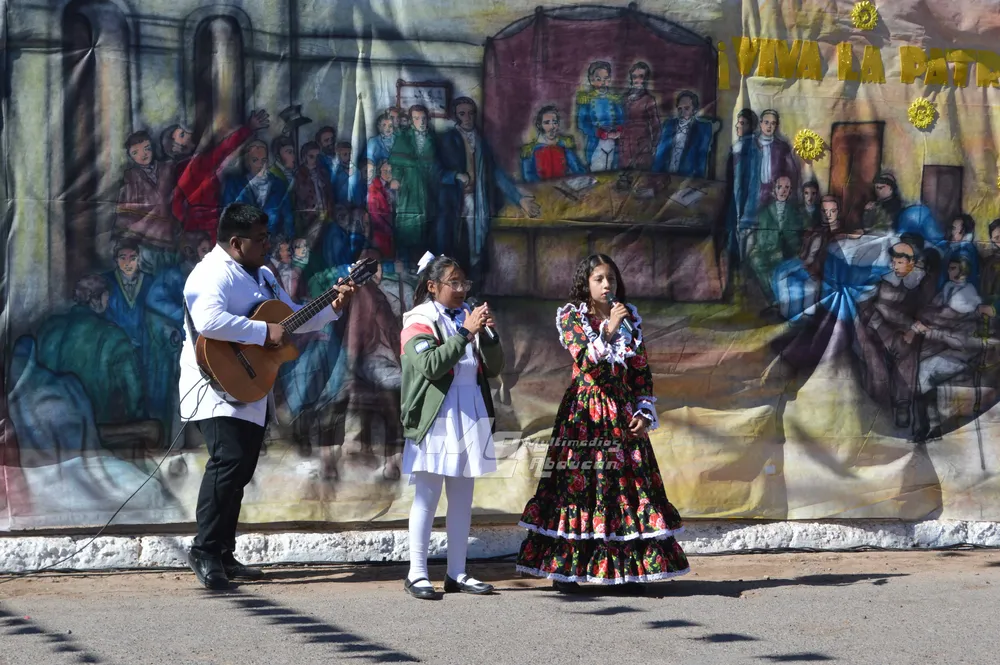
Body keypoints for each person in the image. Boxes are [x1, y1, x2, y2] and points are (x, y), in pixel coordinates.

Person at [179, 203, 356, 590]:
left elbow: (290, 316)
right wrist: (261, 333)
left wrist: (331, 308)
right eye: (260, 239)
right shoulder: (209, 274)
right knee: (227, 463)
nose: (268, 244)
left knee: (239, 470)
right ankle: (204, 550)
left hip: (252, 382)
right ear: (237, 242)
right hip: (216, 384)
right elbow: (209, 321)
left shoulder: (262, 273)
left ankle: (223, 552)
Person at [515, 254, 689, 590]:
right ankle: (568, 571)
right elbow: (585, 361)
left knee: (626, 488)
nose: (607, 284)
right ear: (586, 283)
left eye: (611, 278)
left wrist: (643, 411)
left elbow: (640, 371)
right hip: (585, 415)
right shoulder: (572, 317)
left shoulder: (628, 319)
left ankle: (628, 570)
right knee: (579, 486)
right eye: (599, 278)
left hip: (622, 416)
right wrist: (607, 331)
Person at [399, 252, 505, 599]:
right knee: (427, 496)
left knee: (462, 497)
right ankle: (416, 573)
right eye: (453, 283)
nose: (461, 290)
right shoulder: (418, 319)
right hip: (437, 416)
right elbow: (430, 365)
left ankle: (457, 572)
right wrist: (464, 332)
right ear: (432, 286)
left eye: (464, 283)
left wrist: (487, 334)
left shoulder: (466, 316)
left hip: (469, 410)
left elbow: (494, 368)